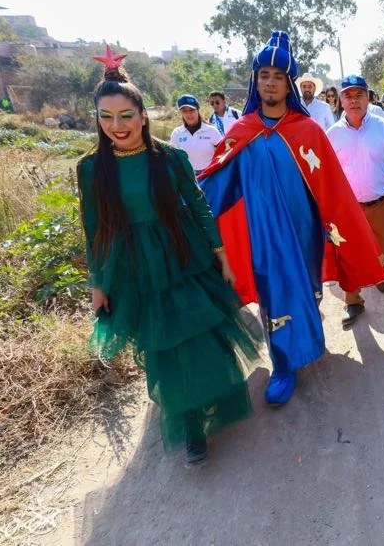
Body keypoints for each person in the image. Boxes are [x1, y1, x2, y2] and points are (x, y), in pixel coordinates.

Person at [78, 48, 259, 467]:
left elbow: (199, 208)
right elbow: (93, 229)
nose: (117, 126)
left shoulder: (171, 158)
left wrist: (221, 255)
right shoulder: (90, 168)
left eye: (126, 115)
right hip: (133, 268)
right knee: (163, 348)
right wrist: (98, 284)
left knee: (199, 337)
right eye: (107, 117)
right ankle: (190, 423)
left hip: (183, 258)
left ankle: (212, 399)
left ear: (143, 116)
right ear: (97, 119)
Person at [198, 31, 384, 406]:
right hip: (264, 237)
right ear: (256, 82)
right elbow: (217, 188)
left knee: (308, 293)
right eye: (264, 75)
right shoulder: (242, 133)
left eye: (278, 76)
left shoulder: (308, 131)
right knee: (274, 298)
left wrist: (340, 234)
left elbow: (333, 189)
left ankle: (307, 343)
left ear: (288, 85)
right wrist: (187, 211)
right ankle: (283, 365)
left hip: (305, 233)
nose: (270, 82)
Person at [327, 75, 384, 327]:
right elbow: (328, 174)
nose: (353, 101)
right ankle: (353, 301)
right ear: (341, 101)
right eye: (348, 96)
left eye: (358, 95)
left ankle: (379, 273)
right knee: (349, 257)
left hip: (381, 204)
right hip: (348, 209)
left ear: (368, 97)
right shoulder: (332, 135)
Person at [169, 94, 222, 173]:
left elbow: (224, 152)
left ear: (198, 110)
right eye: (184, 111)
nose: (188, 114)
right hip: (187, 176)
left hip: (209, 175)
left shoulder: (211, 131)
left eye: (191, 110)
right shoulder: (177, 133)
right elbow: (173, 158)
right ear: (181, 113)